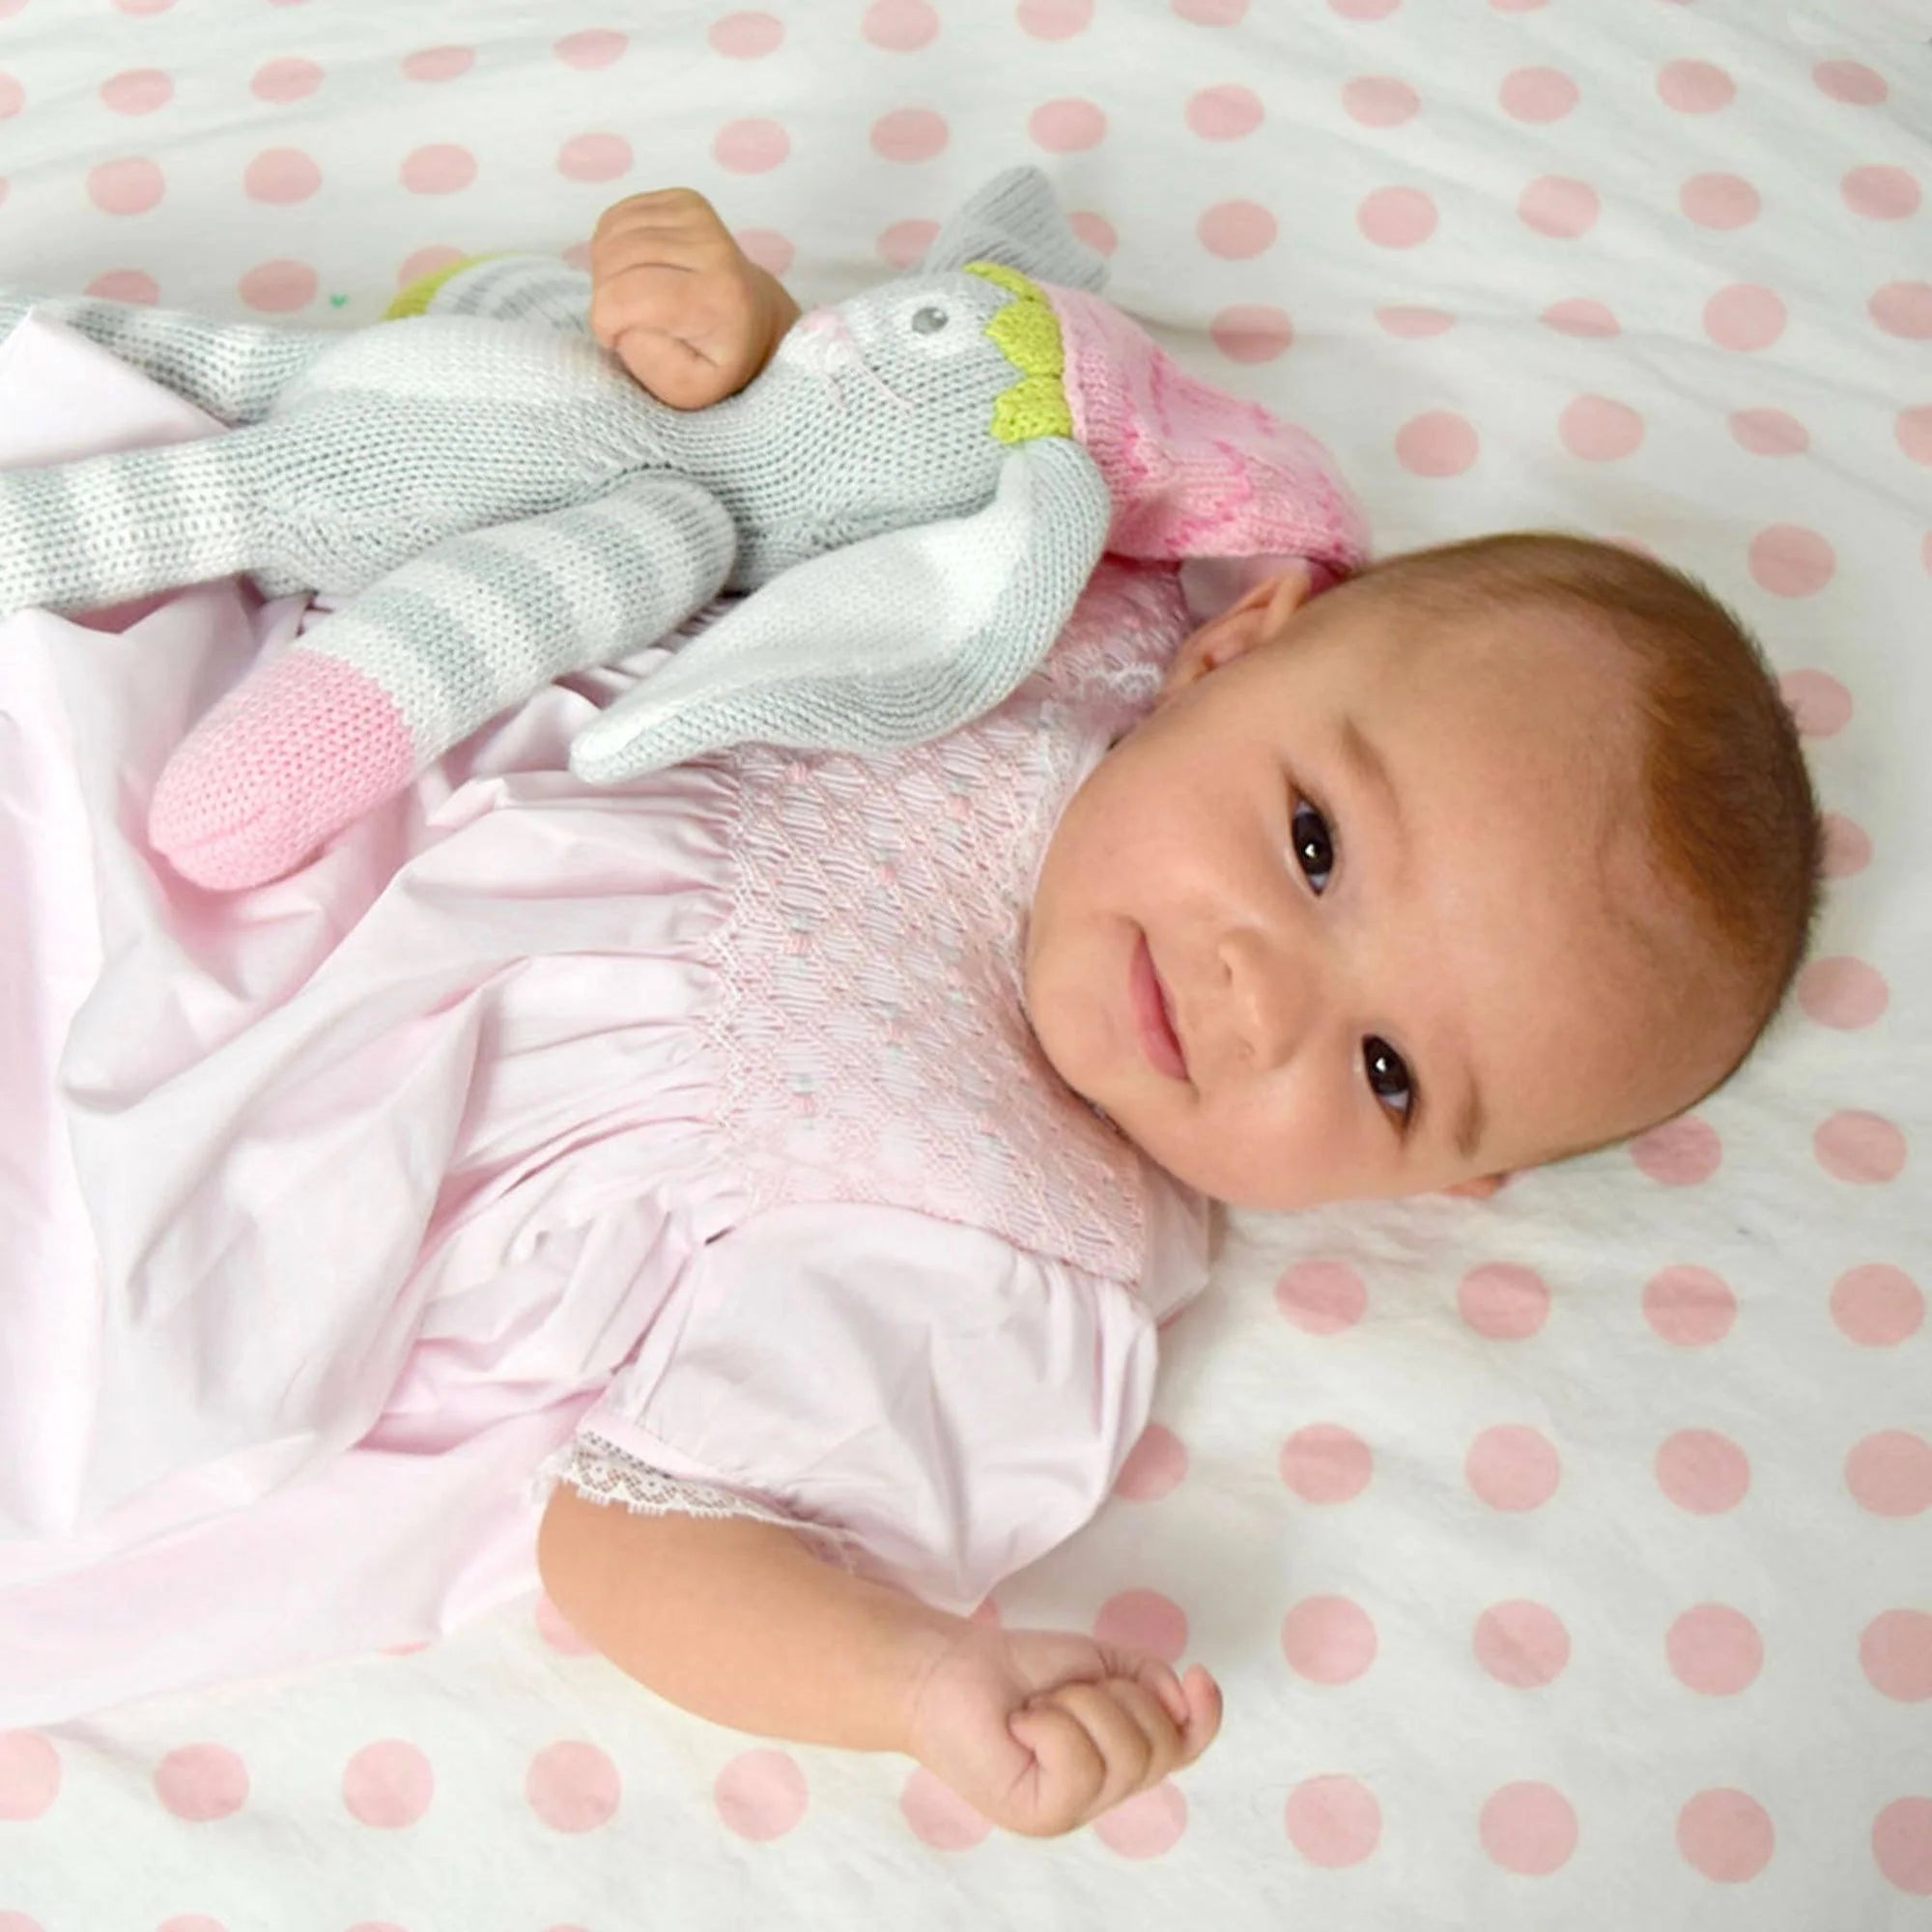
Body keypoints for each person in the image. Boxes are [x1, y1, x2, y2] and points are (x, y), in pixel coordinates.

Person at [0, 187, 1821, 1839]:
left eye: (1389, 1068)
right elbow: (805, 446)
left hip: (210, 1157)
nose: (1262, 994)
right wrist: (718, 330)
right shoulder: (1054, 582)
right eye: (1317, 844)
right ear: (1240, 642)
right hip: (255, 722)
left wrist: (910, 1681)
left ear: (1437, 1186)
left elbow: (641, 1537)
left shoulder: (1001, 1253)